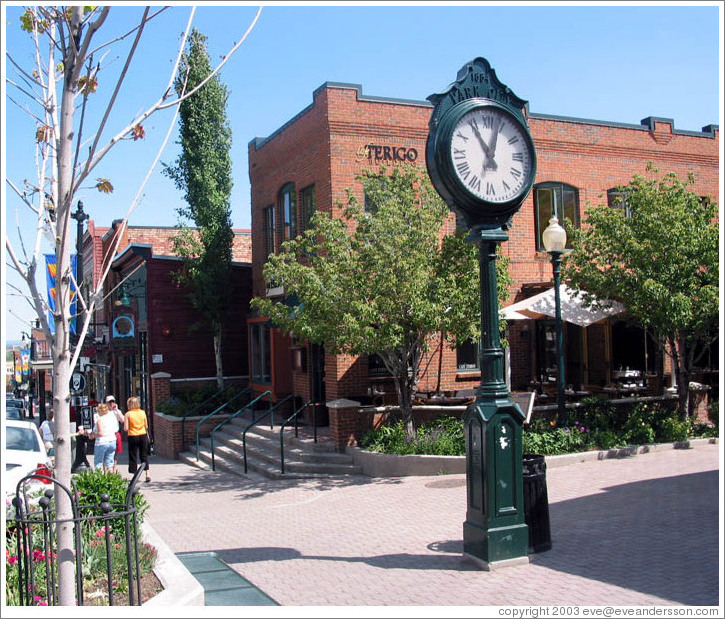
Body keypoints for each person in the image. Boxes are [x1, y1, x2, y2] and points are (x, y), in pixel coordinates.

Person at [124, 396, 151, 483]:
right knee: (144, 455)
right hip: (142, 435)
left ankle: (135, 475)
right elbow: (146, 426)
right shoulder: (142, 412)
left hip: (133, 435)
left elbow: (125, 428)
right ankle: (147, 474)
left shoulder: (128, 414)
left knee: (133, 455)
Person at [91, 402, 119, 473]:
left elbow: (100, 433)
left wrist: (93, 435)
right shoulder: (111, 418)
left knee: (98, 463)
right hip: (112, 440)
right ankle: (111, 481)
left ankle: (100, 481)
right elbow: (115, 429)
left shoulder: (100, 420)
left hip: (102, 442)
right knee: (109, 463)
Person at [105, 395, 125, 474]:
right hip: (106, 434)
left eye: (113, 402)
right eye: (109, 402)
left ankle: (114, 470)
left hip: (115, 434)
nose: (111, 404)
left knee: (115, 453)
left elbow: (122, 420)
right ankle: (106, 471)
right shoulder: (103, 412)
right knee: (106, 454)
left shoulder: (117, 411)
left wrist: (116, 410)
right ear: (106, 403)